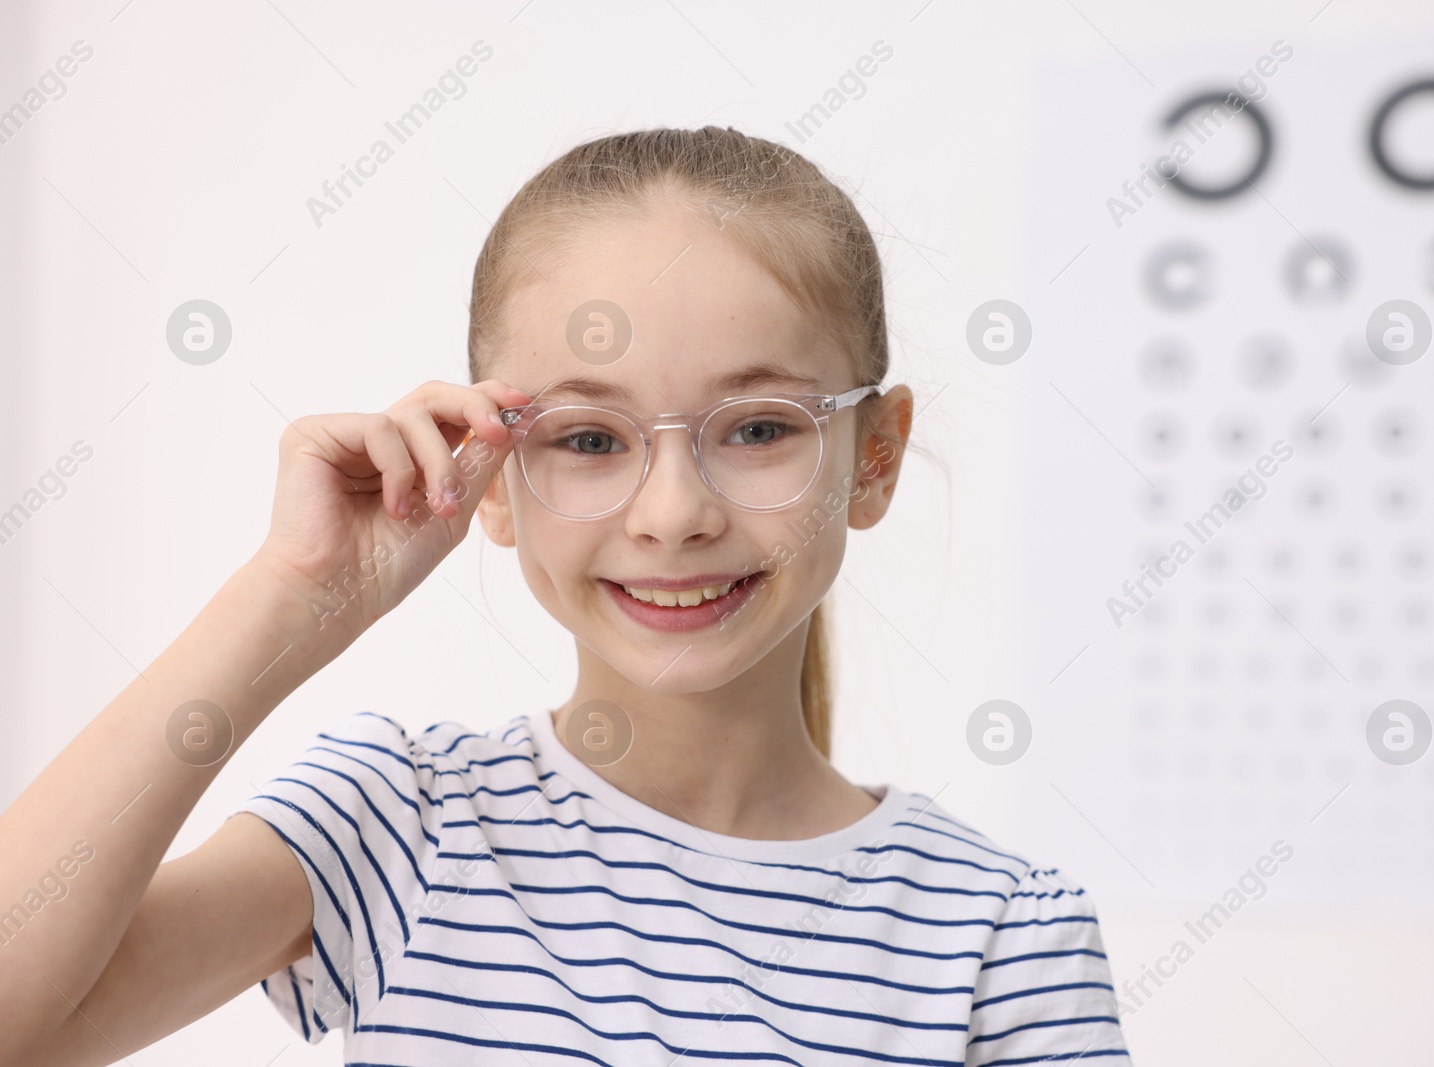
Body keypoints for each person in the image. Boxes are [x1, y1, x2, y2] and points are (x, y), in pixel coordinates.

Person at [0, 126, 1129, 1065]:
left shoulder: (999, 935)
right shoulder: (405, 821)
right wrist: (290, 594)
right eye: (590, 436)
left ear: (872, 458)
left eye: (759, 428)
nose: (673, 510)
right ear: (489, 476)